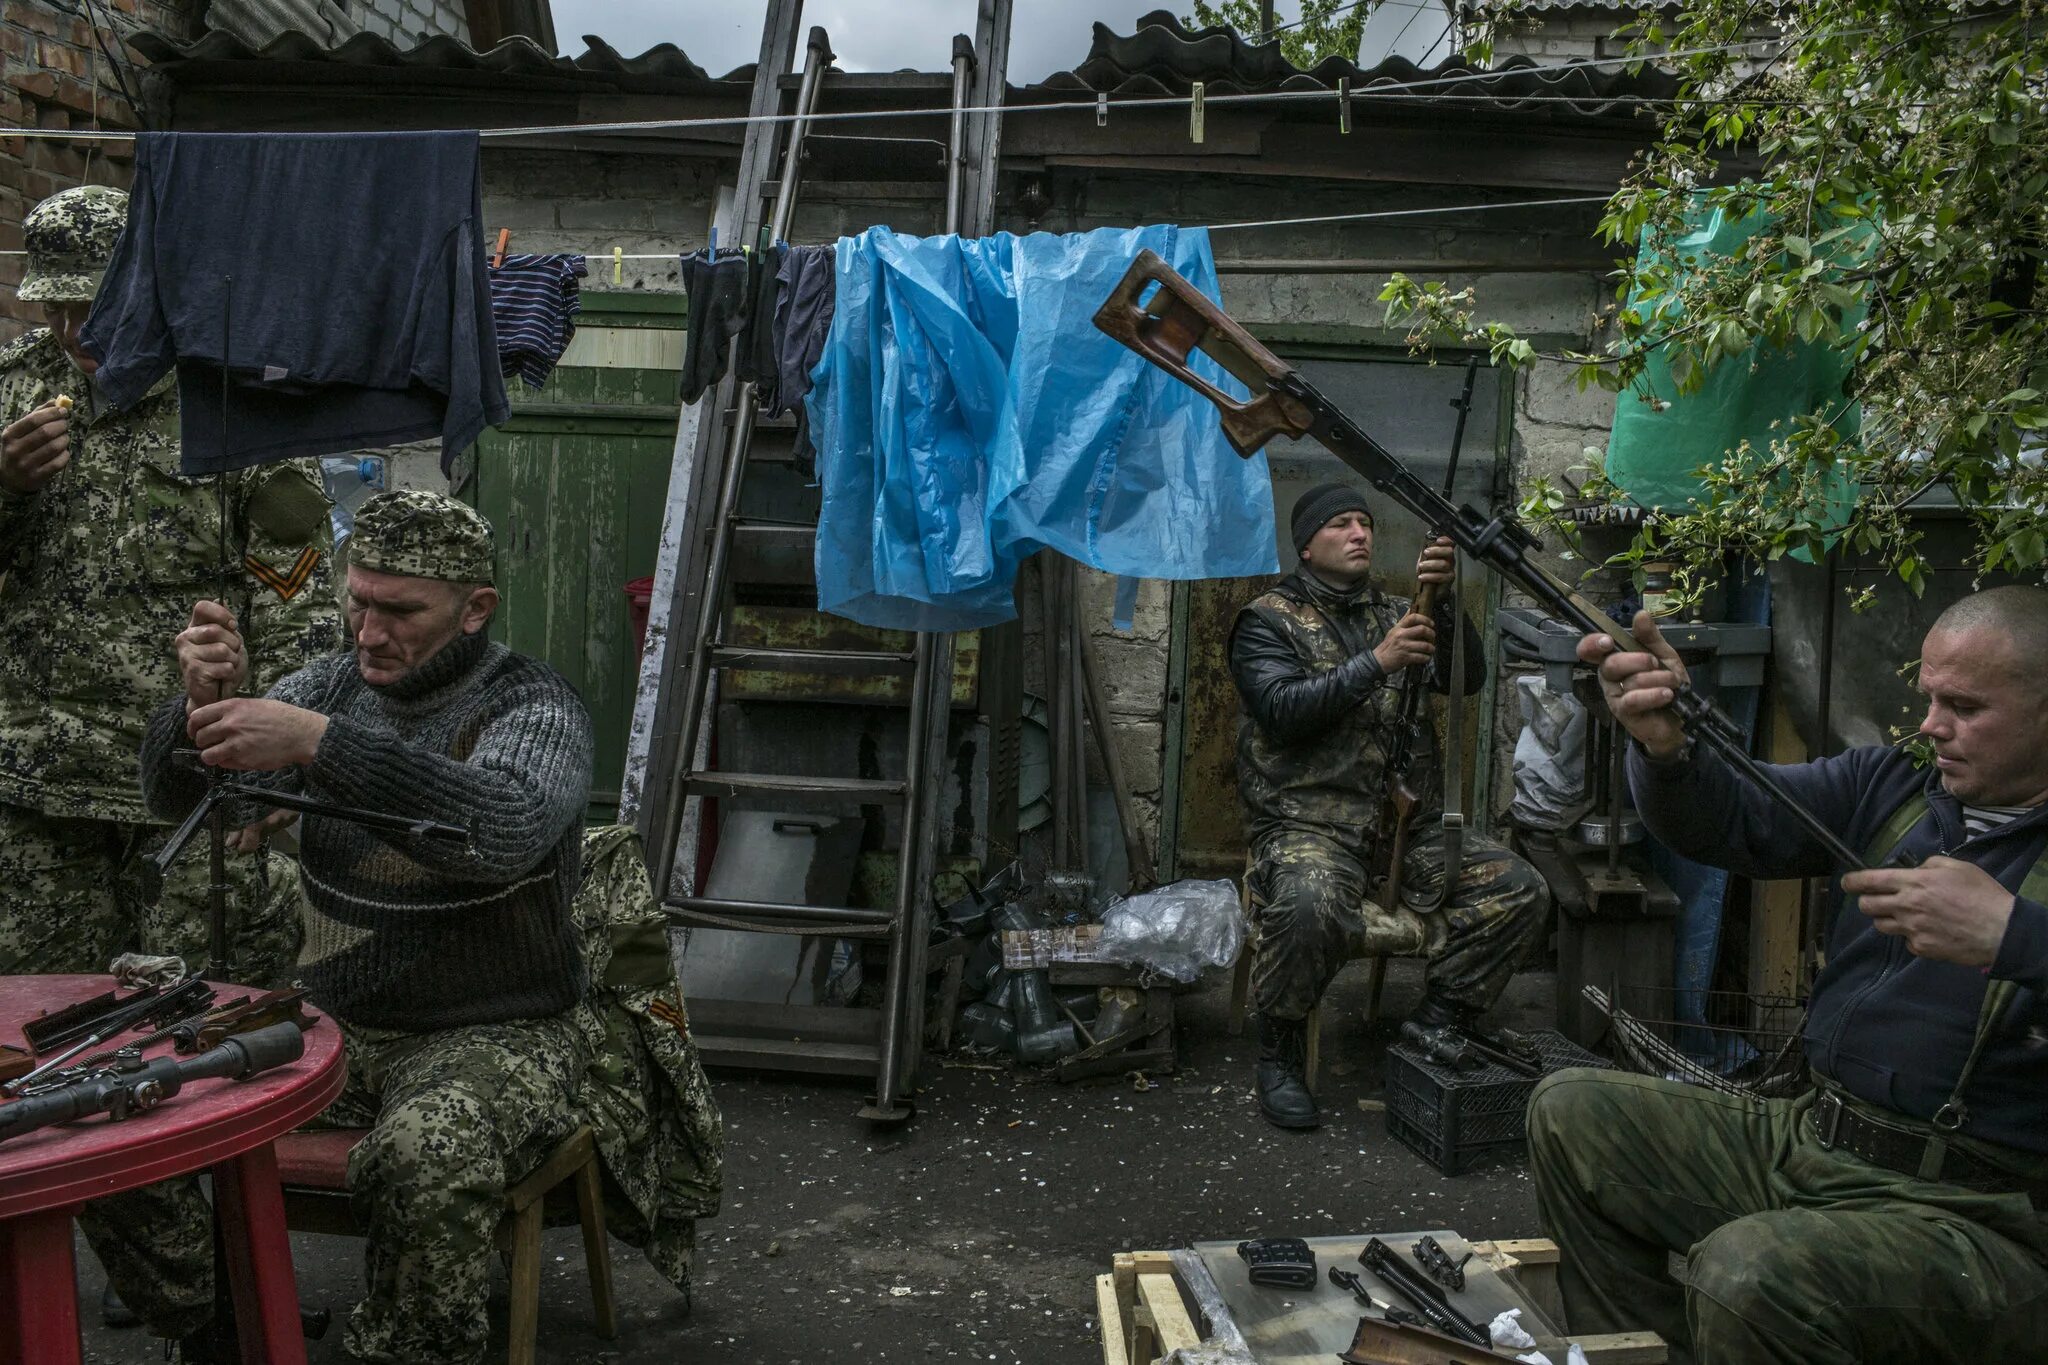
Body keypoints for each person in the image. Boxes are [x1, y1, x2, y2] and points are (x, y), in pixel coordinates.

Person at [1529, 587, 2048, 1364]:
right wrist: (1667, 750)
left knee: (1752, 1271)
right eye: (1930, 697)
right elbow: (1737, 818)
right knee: (1572, 1113)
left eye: (1965, 706)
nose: (1934, 725)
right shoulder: (1897, 788)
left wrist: (2015, 935)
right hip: (1810, 1137)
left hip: (1972, 1215)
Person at [140, 489, 597, 1365]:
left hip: (497, 1028)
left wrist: (322, 746)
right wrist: (197, 705)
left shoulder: (535, 706)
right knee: (155, 1107)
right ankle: (216, 1321)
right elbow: (182, 798)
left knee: (426, 1154)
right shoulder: (331, 685)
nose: (368, 632)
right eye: (357, 600)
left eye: (400, 610)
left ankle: (414, 1347)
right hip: (336, 1023)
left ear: (475, 609)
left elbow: (496, 831)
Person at [0, 183, 340, 1339]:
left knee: (193, 1069)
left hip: (185, 802)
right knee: (38, 1077)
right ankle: (192, 1302)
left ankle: (219, 1315)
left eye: (89, 311)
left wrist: (276, 773)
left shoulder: (235, 413)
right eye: (50, 312)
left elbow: (305, 618)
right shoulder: (11, 398)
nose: (69, 337)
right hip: (30, 793)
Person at [1229, 482, 1549, 1129]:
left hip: (1407, 821)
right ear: (1307, 545)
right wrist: (1377, 663)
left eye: (1366, 523)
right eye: (1341, 523)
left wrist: (1449, 603)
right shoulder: (1267, 620)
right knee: (1310, 903)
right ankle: (1281, 1049)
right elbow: (1282, 711)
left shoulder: (1399, 614)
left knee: (1520, 888)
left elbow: (1466, 679)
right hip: (1308, 820)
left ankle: (1438, 1020)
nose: (1360, 534)